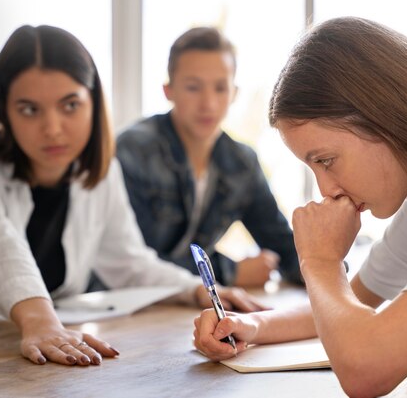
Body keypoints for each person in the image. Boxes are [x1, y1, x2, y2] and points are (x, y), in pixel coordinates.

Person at [0, 25, 263, 367]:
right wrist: (41, 321)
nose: (52, 128)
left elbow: (129, 262)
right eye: (29, 109)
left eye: (70, 105)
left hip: (26, 354)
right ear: (4, 111)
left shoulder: (100, 174)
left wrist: (196, 290)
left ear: (93, 103)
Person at [193, 17, 407, 397]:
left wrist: (319, 262)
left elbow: (367, 369)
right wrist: (251, 326)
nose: (326, 190)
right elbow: (353, 298)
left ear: (386, 121)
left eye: (326, 160)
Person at [116, 27, 302, 287]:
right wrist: (229, 272)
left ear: (234, 93)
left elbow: (283, 245)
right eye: (193, 87)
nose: (208, 103)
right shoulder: (132, 150)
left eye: (220, 88)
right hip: (122, 307)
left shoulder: (241, 162)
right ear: (168, 90)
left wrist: (329, 273)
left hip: (190, 308)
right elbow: (131, 262)